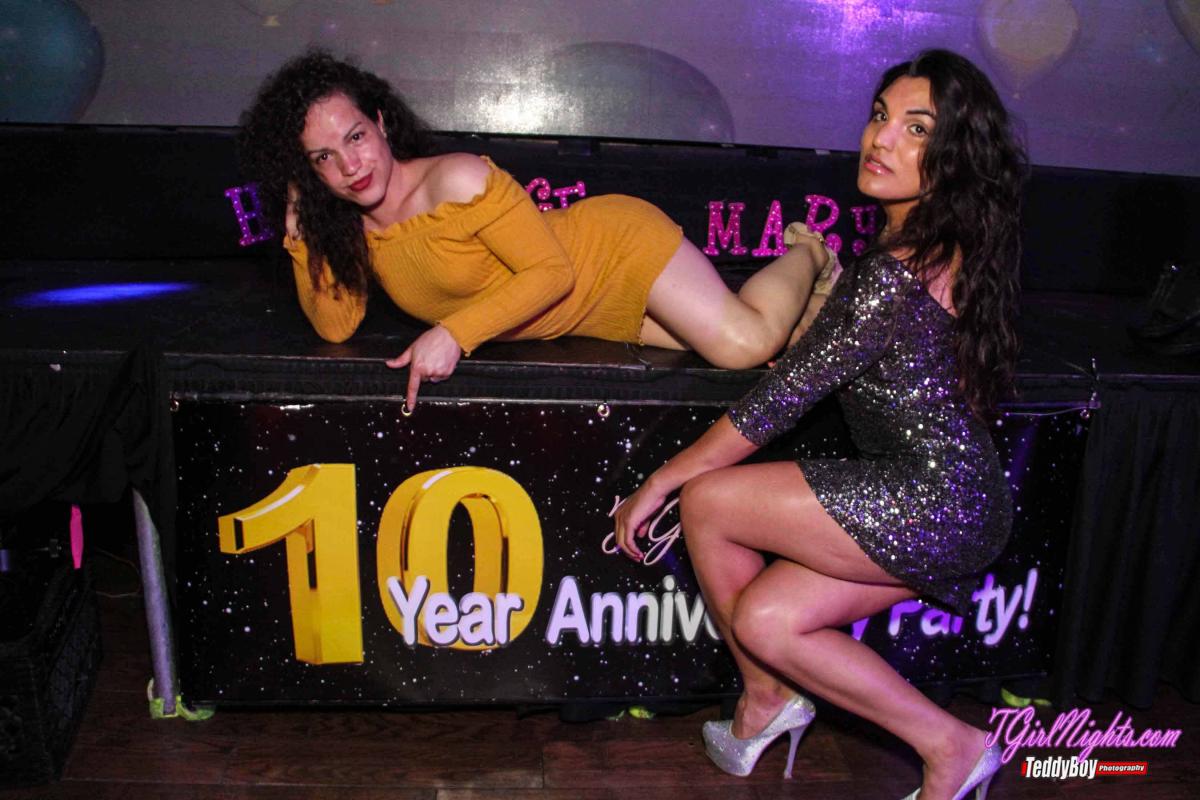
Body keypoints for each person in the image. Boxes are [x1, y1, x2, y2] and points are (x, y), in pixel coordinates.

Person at [613, 49, 1025, 800]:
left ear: (955, 154)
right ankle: (952, 747)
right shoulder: (941, 249)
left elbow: (783, 400)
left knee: (706, 500)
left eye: (917, 129)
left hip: (932, 499)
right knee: (768, 622)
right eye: (879, 116)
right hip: (960, 500)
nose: (882, 138)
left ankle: (764, 701)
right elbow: (843, 362)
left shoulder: (895, 271)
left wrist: (658, 481)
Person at [238, 51, 838, 410]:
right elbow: (336, 326)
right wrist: (300, 235)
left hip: (610, 252)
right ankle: (810, 307)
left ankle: (809, 252)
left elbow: (553, 271)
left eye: (355, 137)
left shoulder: (455, 180)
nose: (350, 166)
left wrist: (454, 334)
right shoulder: (352, 228)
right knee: (755, 348)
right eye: (323, 158)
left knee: (743, 346)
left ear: (381, 123)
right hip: (585, 317)